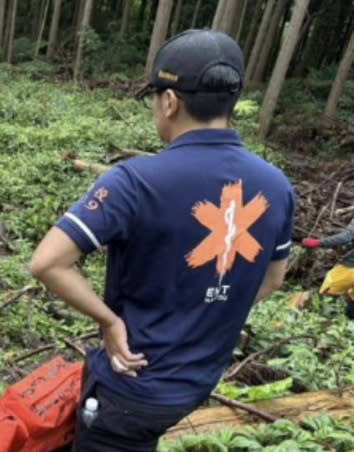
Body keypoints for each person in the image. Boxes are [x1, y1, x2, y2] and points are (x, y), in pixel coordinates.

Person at [29, 30, 295, 451]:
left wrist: (110, 322)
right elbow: (271, 281)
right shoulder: (276, 186)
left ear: (170, 102)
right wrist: (203, 316)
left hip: (130, 386)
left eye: (154, 99)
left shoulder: (135, 181)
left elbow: (47, 262)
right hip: (197, 382)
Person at [302, 218, 354, 318]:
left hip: (351, 267)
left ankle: (326, 323)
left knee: (329, 291)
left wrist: (318, 243)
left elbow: (346, 237)